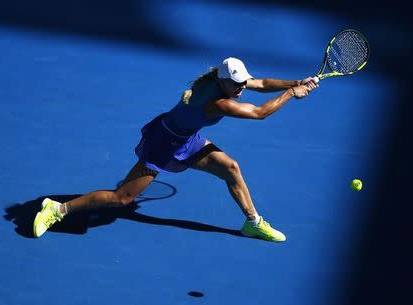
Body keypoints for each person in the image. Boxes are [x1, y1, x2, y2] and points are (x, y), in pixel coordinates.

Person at [33, 57, 319, 241]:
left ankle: (253, 222)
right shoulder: (217, 102)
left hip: (187, 138)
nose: (242, 87)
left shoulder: (224, 81)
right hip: (163, 142)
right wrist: (290, 94)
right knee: (121, 200)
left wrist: (295, 81)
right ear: (222, 81)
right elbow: (259, 114)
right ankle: (57, 208)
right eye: (236, 84)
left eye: (242, 82)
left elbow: (262, 82)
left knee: (231, 168)